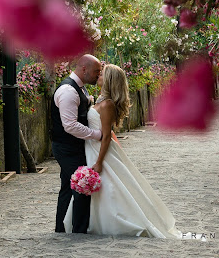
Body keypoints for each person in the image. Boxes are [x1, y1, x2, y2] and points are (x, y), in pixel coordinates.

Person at [64, 64, 182, 238]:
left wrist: (99, 162)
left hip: (99, 151)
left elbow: (105, 136)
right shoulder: (100, 100)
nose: (98, 76)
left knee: (109, 187)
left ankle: (115, 221)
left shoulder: (107, 105)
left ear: (109, 80)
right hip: (92, 148)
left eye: (102, 74)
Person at [51, 54, 103, 234]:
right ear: (84, 69)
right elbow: (70, 126)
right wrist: (97, 135)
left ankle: (61, 227)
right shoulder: (68, 91)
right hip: (66, 147)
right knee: (82, 184)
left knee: (68, 185)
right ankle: (79, 229)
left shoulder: (80, 89)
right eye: (96, 71)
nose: (99, 75)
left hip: (73, 147)